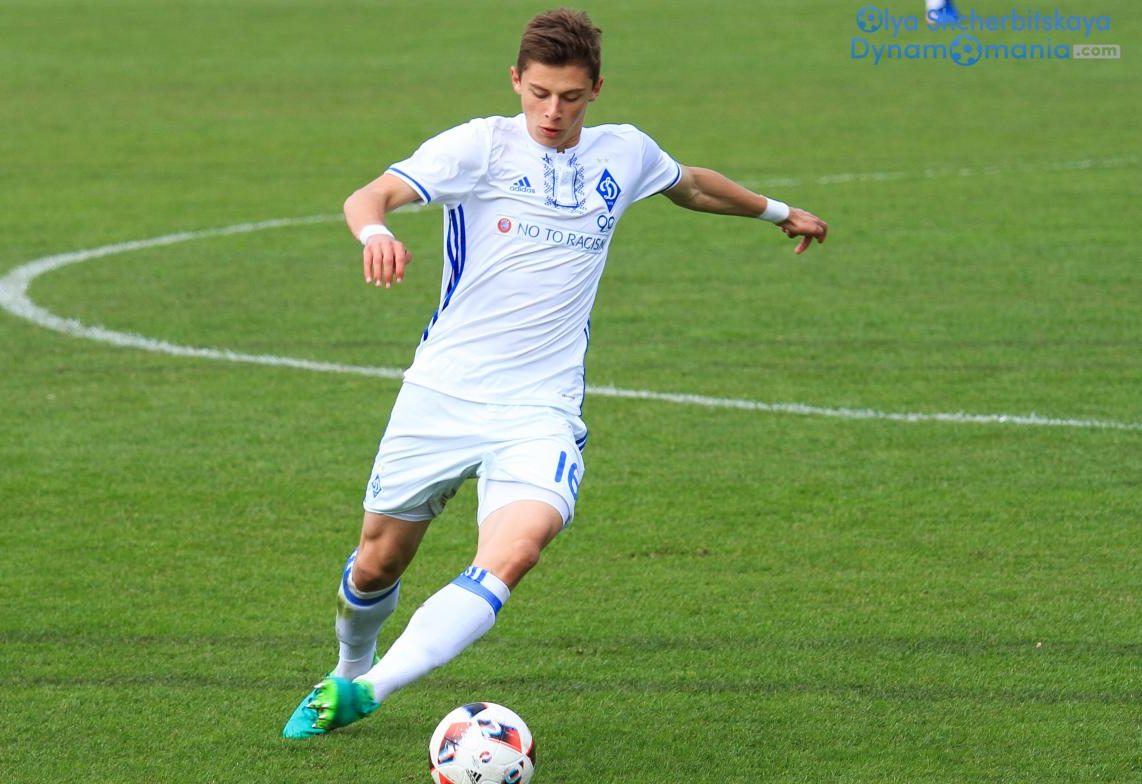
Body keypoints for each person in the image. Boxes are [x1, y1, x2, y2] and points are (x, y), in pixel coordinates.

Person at [283, 7, 828, 738]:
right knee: (377, 564)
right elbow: (369, 195)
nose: (552, 111)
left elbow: (692, 186)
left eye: (570, 97)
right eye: (539, 93)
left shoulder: (624, 152)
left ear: (596, 90)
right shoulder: (479, 145)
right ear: (516, 80)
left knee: (518, 549)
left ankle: (369, 690)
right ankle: (350, 665)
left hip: (541, 409)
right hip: (442, 395)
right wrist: (375, 232)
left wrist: (779, 212)